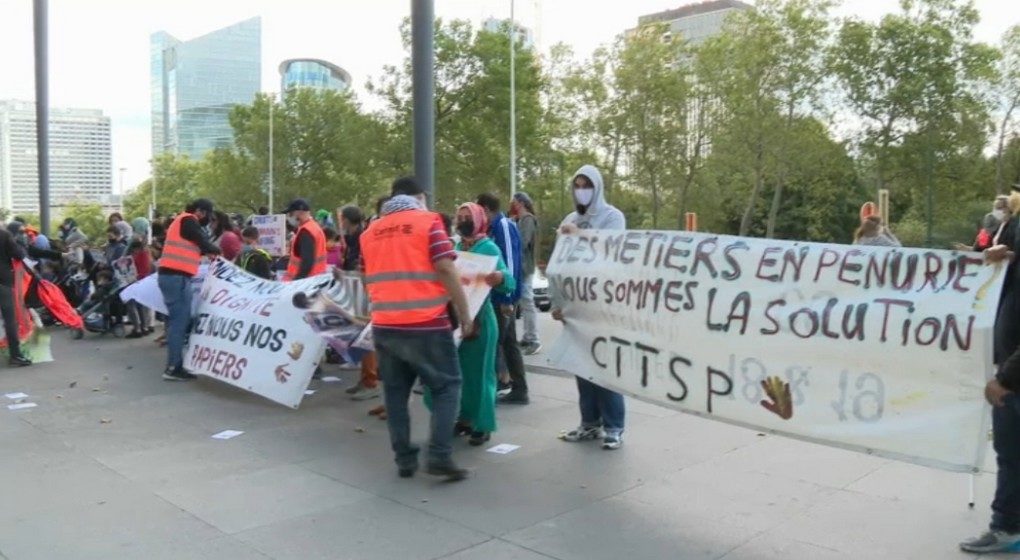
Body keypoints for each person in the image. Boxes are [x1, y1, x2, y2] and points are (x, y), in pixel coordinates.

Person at [360, 177, 475, 481]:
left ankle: (404, 460)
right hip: (427, 323)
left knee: (395, 394)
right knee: (447, 387)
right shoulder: (428, 222)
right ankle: (439, 455)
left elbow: (365, 276)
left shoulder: (370, 232)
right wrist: (464, 313)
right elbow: (445, 267)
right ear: (419, 197)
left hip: (385, 325)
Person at [553, 164, 628, 450]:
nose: (581, 191)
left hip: (604, 303)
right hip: (577, 304)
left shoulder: (612, 217)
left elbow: (613, 249)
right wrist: (559, 301)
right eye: (577, 185)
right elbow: (561, 263)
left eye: (587, 185)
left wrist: (580, 235)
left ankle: (614, 426)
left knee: (604, 365)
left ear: (597, 188)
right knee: (582, 365)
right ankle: (589, 422)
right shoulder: (570, 218)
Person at [437, 202, 513, 446]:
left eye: (467, 217)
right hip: (459, 319)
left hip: (481, 320)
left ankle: (483, 424)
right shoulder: (456, 247)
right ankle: (466, 418)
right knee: (462, 374)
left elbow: (508, 280)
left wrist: (500, 277)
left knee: (481, 375)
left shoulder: (488, 247)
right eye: (459, 217)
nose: (462, 221)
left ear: (479, 219)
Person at [158, 199, 220, 381]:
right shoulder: (188, 220)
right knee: (180, 322)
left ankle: (175, 364)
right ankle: (173, 368)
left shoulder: (182, 223)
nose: (207, 219)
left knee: (179, 321)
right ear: (200, 211)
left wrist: (206, 251)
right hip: (176, 278)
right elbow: (201, 240)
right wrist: (216, 250)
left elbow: (194, 246)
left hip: (175, 277)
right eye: (207, 215)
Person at [476, 193, 527, 405]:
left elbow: (510, 262)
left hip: (502, 297)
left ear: (486, 209)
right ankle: (517, 387)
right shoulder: (491, 228)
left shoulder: (503, 226)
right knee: (507, 342)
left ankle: (505, 387)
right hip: (496, 296)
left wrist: (507, 297)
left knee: (496, 342)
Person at [510, 192, 541, 355]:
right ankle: (527, 336)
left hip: (524, 267)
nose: (512, 205)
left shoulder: (527, 219)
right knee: (522, 302)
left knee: (527, 301)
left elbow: (523, 242)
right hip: (519, 267)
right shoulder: (520, 220)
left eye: (514, 202)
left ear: (521, 203)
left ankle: (533, 339)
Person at [0, 225, 33, 367]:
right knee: (10, 319)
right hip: (3, 282)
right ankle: (15, 355)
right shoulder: (4, 234)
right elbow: (19, 254)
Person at [283, 199, 327, 281]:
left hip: (305, 282)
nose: (288, 217)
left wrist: (296, 282)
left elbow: (307, 263)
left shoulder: (306, 232)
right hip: (315, 279)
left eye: (290, 214)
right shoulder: (313, 227)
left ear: (299, 213)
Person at [125, 238, 153, 339]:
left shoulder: (142, 255)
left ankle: (138, 328)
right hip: (141, 281)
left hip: (137, 281)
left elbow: (143, 269)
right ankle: (143, 327)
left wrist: (135, 277)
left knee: (132, 305)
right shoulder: (145, 254)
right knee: (140, 306)